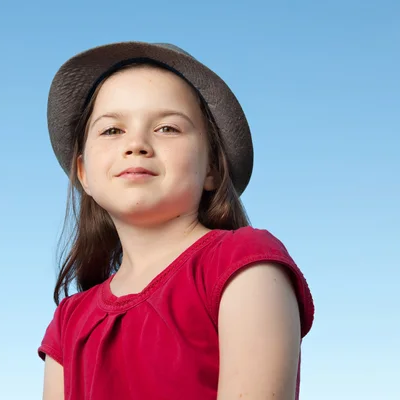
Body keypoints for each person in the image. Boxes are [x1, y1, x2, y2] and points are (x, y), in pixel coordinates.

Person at [38, 42, 315, 400]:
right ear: (83, 173)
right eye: (112, 131)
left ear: (212, 168)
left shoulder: (242, 263)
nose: (136, 144)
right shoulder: (68, 323)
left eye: (168, 128)